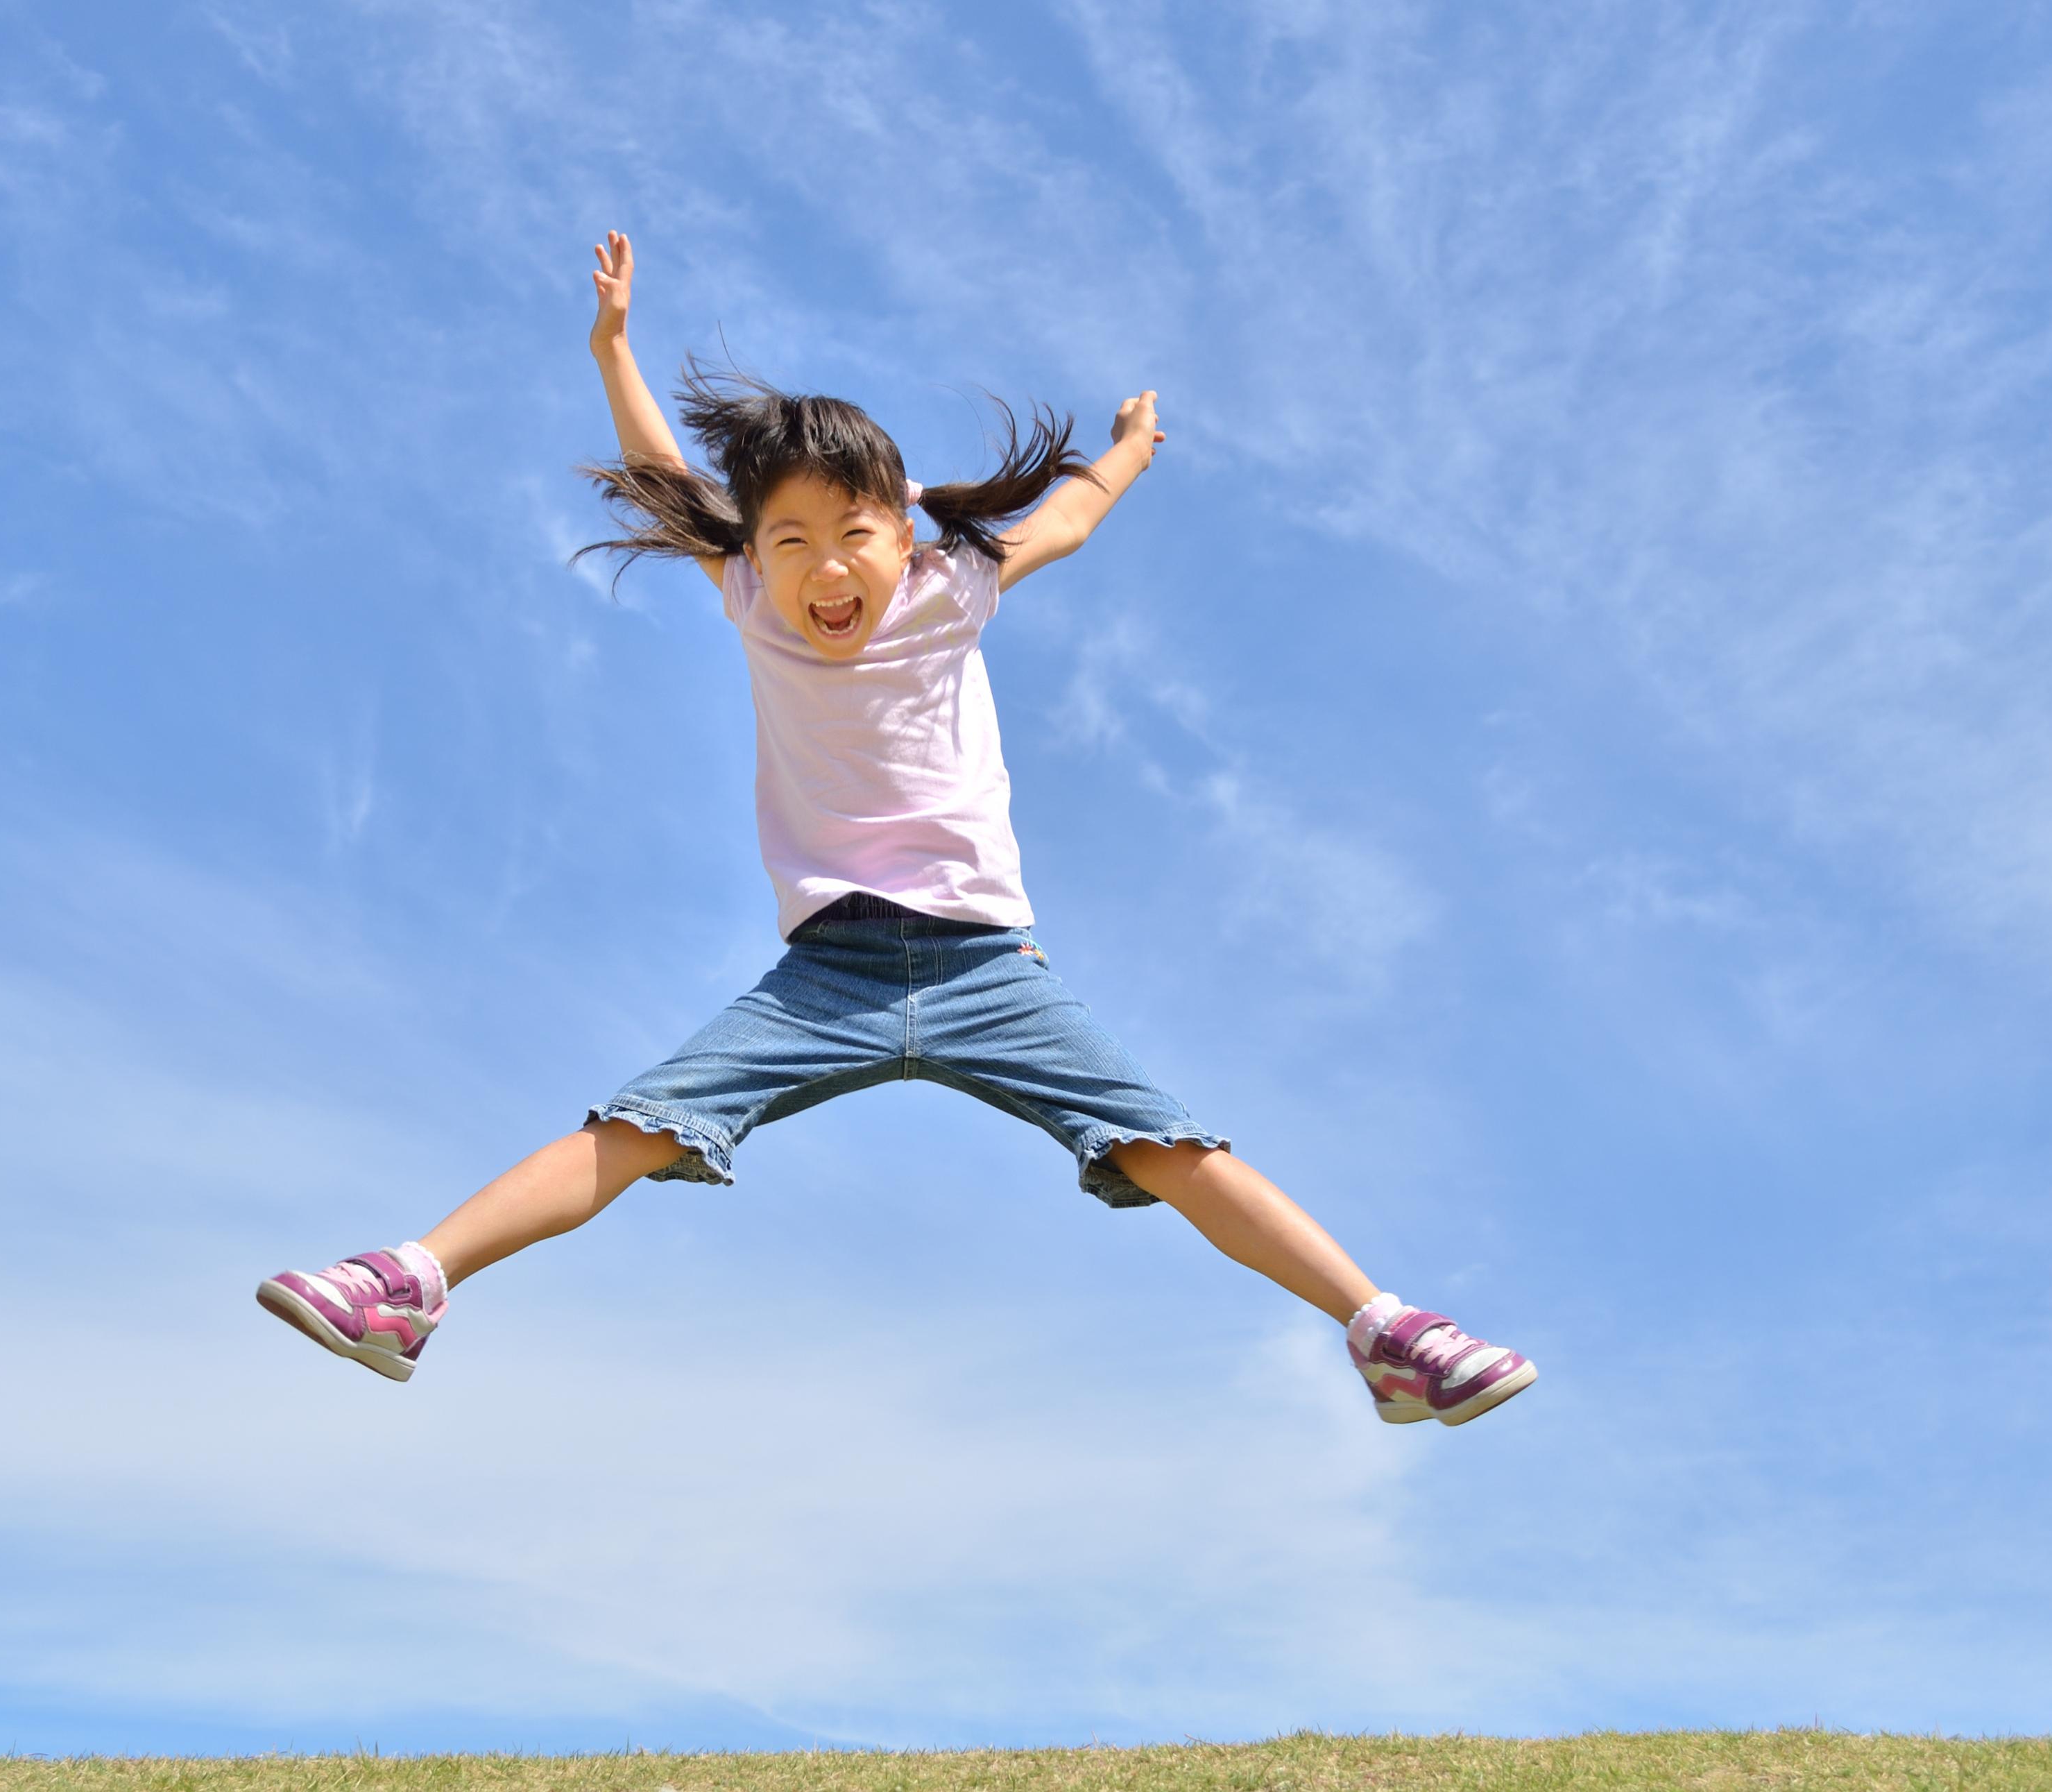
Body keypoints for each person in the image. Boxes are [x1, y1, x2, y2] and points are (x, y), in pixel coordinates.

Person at [259, 231, 1534, 1428]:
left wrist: (1135, 446)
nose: (824, 569)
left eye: (852, 536)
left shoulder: (952, 589)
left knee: (1167, 1142)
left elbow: (1070, 520)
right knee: (637, 1127)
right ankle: (410, 1285)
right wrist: (610, 353)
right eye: (791, 538)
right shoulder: (752, 600)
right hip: (827, 975)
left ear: (904, 532)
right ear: (755, 548)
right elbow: (665, 476)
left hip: (989, 966)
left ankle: (1386, 1335)